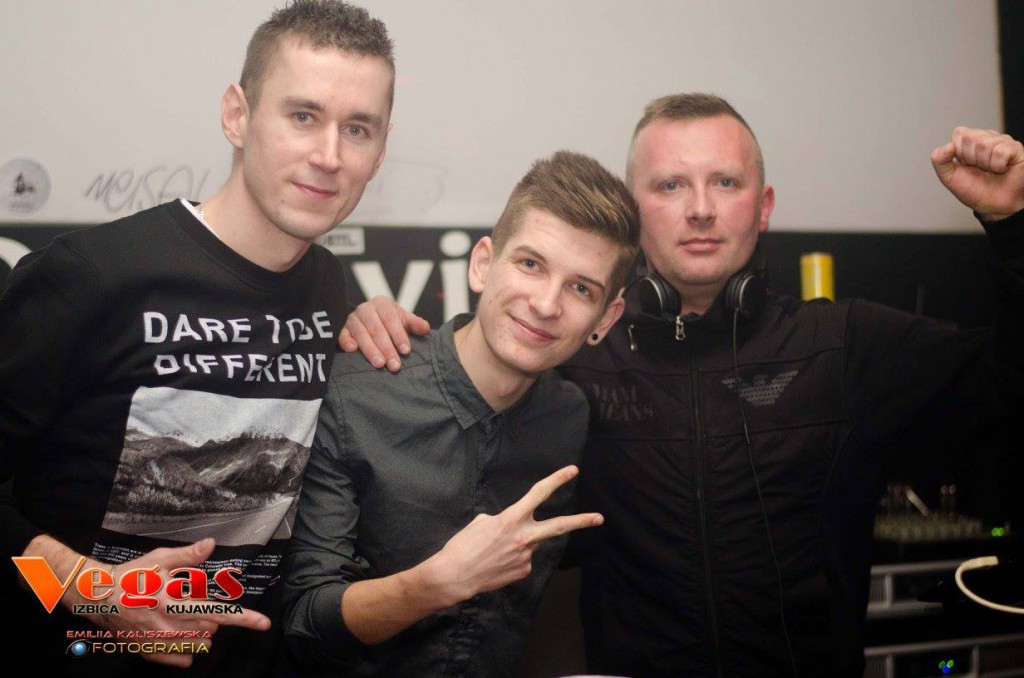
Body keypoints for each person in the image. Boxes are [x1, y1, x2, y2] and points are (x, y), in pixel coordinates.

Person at [339, 93, 1024, 676]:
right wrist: (372, 318)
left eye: (725, 182)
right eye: (670, 186)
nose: (700, 209)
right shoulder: (572, 354)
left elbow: (1009, 388)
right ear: (634, 213)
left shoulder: (846, 345)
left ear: (764, 205)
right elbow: (470, 367)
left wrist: (1014, 227)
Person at [0, 1, 394, 675]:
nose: (329, 156)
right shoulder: (92, 276)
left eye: (357, 129)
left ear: (380, 149)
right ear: (237, 115)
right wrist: (86, 589)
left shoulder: (333, 289)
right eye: (303, 116)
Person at [279, 150, 641, 677]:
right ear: (482, 264)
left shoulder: (569, 415)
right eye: (531, 264)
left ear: (605, 319)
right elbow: (305, 620)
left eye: (581, 288)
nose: (546, 304)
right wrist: (436, 584)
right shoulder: (359, 392)